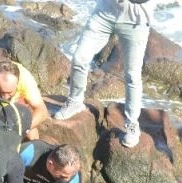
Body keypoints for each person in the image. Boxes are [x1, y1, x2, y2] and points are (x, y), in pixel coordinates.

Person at [53, 0, 153, 148]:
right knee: (80, 58)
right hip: (104, 13)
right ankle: (75, 101)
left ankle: (132, 124)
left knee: (132, 74)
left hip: (135, 21)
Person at [0, 60, 48, 140]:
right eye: (0, 91)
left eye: (9, 92)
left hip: (17, 99)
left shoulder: (25, 80)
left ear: (17, 83)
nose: (5, 97)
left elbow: (42, 112)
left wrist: (21, 129)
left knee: (31, 133)